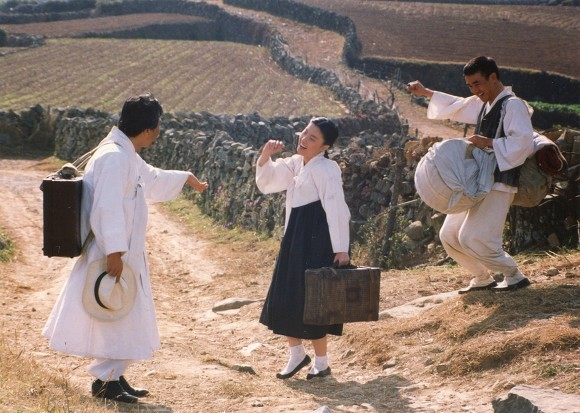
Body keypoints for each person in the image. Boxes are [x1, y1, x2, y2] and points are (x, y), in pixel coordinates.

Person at [42, 93, 208, 403]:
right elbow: (107, 208)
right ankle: (106, 381)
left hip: (123, 251)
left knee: (122, 315)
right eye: (157, 126)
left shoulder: (123, 152)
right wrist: (115, 252)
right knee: (117, 314)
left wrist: (186, 179)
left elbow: (151, 177)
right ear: (147, 129)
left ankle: (114, 377)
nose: (159, 132)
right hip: (114, 251)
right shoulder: (115, 157)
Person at [407, 56, 534, 293]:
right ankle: (482, 277)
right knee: (449, 235)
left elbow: (523, 143)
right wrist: (426, 93)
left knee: (473, 237)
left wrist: (487, 142)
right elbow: (458, 105)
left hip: (499, 182)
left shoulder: (512, 105)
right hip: (476, 180)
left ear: (493, 77)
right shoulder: (484, 103)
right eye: (470, 86)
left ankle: (514, 275)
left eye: (478, 83)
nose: (475, 91)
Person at [256, 117, 351, 380]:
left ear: (324, 146)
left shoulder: (328, 168)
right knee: (288, 294)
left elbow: (336, 207)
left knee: (314, 301)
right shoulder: (295, 163)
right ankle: (296, 353)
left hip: (318, 240)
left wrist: (341, 249)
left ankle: (322, 362)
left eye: (312, 138)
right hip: (294, 237)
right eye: (305, 134)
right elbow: (267, 183)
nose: (304, 140)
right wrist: (266, 154)